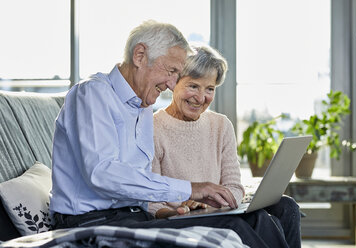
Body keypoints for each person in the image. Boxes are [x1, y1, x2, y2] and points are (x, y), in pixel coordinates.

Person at [50, 20, 290, 248]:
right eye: (172, 70)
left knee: (262, 218)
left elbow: (140, 183)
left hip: (135, 217)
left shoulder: (142, 107)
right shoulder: (92, 95)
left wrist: (175, 208)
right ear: (140, 56)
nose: (173, 83)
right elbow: (103, 174)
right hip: (91, 223)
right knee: (234, 225)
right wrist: (191, 189)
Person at [149, 45, 302, 247]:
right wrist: (177, 209)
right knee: (259, 221)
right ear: (173, 83)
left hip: (218, 209)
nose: (201, 98)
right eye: (193, 86)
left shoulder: (221, 125)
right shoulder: (153, 127)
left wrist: (215, 201)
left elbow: (234, 186)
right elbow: (150, 199)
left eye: (209, 89)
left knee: (287, 206)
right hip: (181, 217)